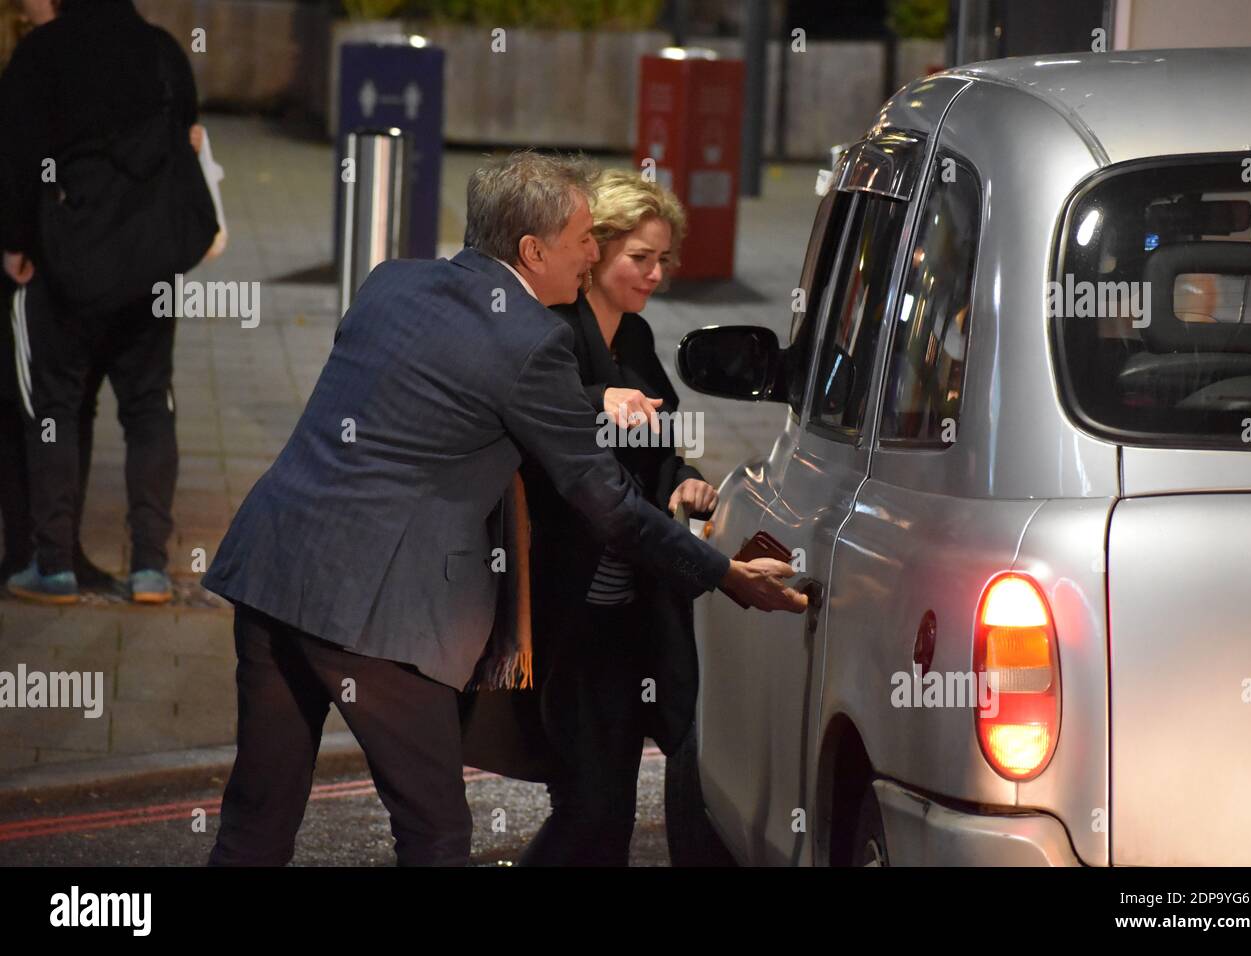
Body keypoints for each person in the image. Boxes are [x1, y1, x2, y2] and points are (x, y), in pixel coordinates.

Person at [201, 151, 808, 867]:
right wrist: (725, 575)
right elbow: (608, 505)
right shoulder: (531, 341)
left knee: (255, 822)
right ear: (532, 250)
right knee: (434, 834)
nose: (592, 253)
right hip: (377, 609)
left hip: (269, 565)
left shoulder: (391, 282)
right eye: (585, 239)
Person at [517, 170, 716, 865]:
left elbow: (663, 444)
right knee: (590, 808)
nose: (656, 274)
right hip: (569, 611)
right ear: (595, 251)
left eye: (664, 260)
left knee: (618, 810)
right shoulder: (552, 334)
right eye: (641, 257)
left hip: (634, 610)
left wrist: (686, 481)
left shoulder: (634, 336)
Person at [0, 0, 201, 604]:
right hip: (150, 266)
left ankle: (53, 563)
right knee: (148, 408)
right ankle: (149, 569)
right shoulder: (163, 51)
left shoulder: (42, 53)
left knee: (56, 404)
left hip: (66, 264)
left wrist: (14, 244)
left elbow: (12, 158)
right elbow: (185, 135)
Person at [0, 0, 116, 592]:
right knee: (36, 405)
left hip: (60, 257)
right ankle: (35, 548)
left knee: (56, 406)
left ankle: (53, 549)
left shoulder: (57, 53)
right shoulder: (46, 54)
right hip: (42, 257)